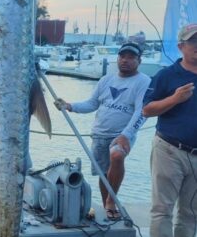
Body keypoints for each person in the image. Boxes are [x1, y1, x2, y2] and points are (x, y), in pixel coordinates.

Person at [54, 42, 151, 220]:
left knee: (117, 156)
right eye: (123, 56)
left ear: (139, 60)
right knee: (103, 172)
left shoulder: (143, 81)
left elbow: (141, 112)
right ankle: (107, 202)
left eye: (131, 57)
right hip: (99, 133)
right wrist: (69, 106)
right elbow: (92, 104)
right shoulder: (106, 79)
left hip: (121, 135)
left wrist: (126, 135)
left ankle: (111, 202)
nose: (126, 60)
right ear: (118, 58)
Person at [142, 23, 197, 237]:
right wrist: (175, 99)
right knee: (162, 208)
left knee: (190, 210)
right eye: (193, 42)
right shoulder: (167, 75)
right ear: (181, 46)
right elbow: (147, 109)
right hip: (169, 149)